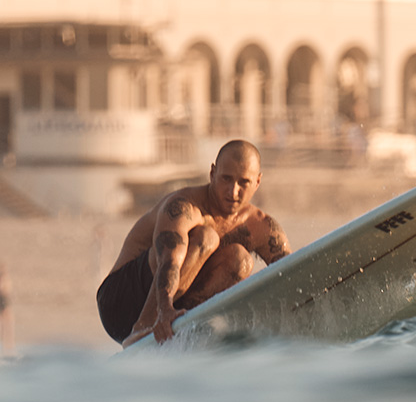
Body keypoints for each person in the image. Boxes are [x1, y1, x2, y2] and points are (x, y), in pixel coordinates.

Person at [97, 139, 290, 346]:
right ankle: (143, 327)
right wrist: (163, 308)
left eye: (244, 182)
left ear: (258, 181)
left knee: (240, 260)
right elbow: (169, 260)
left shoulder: (261, 226)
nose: (233, 192)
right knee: (207, 238)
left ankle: (183, 326)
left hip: (174, 303)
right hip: (121, 302)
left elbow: (292, 272)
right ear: (212, 173)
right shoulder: (184, 207)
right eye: (226, 179)